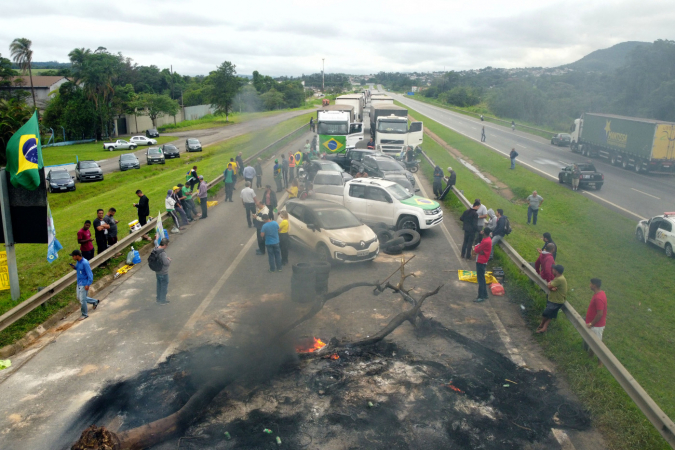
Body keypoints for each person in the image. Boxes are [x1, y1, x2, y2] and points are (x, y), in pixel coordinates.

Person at [70, 249, 99, 320]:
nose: (72, 257)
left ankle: (84, 314)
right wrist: (75, 268)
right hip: (79, 283)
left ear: (77, 256)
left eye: (73, 256)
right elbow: (80, 270)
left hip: (84, 283)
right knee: (79, 298)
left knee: (82, 300)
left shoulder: (85, 263)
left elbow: (90, 274)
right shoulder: (78, 262)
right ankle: (95, 301)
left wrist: (88, 284)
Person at [536, 265, 567, 333]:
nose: (552, 270)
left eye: (554, 270)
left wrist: (550, 286)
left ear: (557, 271)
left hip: (556, 301)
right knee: (550, 315)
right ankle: (544, 327)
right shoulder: (559, 278)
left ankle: (542, 325)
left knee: (546, 313)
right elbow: (551, 286)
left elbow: (549, 286)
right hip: (555, 299)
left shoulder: (559, 279)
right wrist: (552, 287)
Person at [585, 278, 607, 367]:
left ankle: (600, 364)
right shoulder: (600, 293)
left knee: (598, 345)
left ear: (594, 285)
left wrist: (591, 323)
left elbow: (600, 314)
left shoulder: (598, 298)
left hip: (597, 326)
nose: (589, 285)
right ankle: (589, 357)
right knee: (593, 343)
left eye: (590, 284)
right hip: (595, 324)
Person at [473, 228, 492, 303]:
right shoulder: (488, 239)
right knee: (482, 278)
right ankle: (485, 294)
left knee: (480, 279)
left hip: (481, 261)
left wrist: (477, 247)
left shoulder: (485, 241)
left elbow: (476, 249)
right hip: (484, 261)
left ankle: (481, 296)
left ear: (484, 233)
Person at [151, 238, 171, 304]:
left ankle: (158, 299)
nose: (167, 247)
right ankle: (162, 300)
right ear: (164, 245)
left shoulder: (155, 249)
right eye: (167, 245)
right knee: (164, 286)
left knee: (159, 286)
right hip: (163, 272)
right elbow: (166, 263)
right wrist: (169, 260)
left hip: (157, 271)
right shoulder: (162, 253)